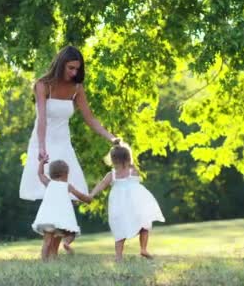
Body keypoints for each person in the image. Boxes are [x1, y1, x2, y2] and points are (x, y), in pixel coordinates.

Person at [20, 45, 118, 252]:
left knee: (70, 196)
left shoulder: (76, 88)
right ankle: (48, 250)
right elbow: (42, 119)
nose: (74, 73)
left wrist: (111, 137)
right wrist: (42, 148)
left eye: (77, 69)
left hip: (64, 145)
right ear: (61, 65)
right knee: (52, 194)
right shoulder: (42, 85)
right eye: (71, 68)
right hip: (43, 143)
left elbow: (89, 118)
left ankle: (54, 250)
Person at [90, 141, 165, 262]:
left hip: (120, 205)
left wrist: (91, 194)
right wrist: (123, 149)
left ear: (112, 160)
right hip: (135, 204)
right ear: (129, 157)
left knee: (120, 229)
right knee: (144, 226)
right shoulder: (133, 170)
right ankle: (143, 249)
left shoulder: (111, 175)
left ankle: (119, 256)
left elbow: (101, 185)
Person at [32, 157, 92, 261]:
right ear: (65, 174)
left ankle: (45, 262)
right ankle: (66, 243)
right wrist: (88, 199)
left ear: (51, 174)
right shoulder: (67, 186)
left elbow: (40, 174)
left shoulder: (49, 183)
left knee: (47, 242)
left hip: (47, 218)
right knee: (71, 234)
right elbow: (80, 196)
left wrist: (41, 163)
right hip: (62, 219)